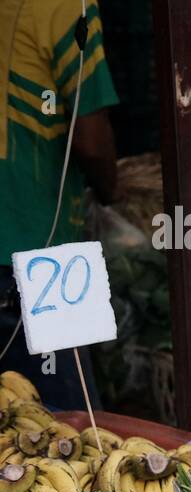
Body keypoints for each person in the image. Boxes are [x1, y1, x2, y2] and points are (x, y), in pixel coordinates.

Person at [0, 0, 117, 408]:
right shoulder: (66, 6)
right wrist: (111, 194)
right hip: (38, 256)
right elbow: (91, 140)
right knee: (71, 432)